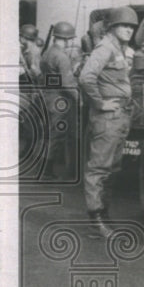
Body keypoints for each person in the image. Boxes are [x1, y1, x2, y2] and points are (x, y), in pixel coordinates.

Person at [78, 6, 137, 238]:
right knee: (98, 169)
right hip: (107, 117)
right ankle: (95, 220)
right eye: (124, 25)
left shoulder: (119, 49)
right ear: (112, 27)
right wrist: (100, 103)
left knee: (112, 168)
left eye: (132, 27)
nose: (129, 30)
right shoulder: (105, 48)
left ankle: (104, 214)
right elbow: (86, 77)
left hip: (120, 116)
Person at [39, 21, 81, 179]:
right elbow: (67, 84)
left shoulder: (47, 53)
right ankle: (46, 171)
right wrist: (79, 98)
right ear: (67, 39)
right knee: (57, 134)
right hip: (59, 99)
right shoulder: (62, 57)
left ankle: (46, 168)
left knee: (50, 132)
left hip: (48, 95)